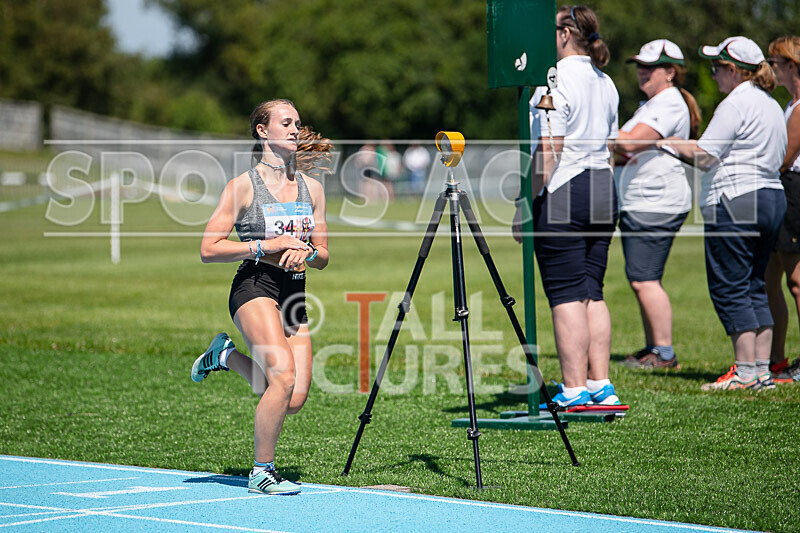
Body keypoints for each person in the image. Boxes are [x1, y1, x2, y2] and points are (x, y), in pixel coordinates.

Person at [193, 99, 331, 494]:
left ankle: (223, 357)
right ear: (262, 130)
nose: (294, 130)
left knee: (293, 396)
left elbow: (323, 255)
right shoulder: (242, 187)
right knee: (282, 377)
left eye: (298, 124)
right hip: (255, 286)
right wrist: (265, 246)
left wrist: (306, 251)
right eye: (286, 123)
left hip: (294, 293)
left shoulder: (313, 189)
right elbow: (209, 248)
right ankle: (261, 471)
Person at [658, 37, 787, 391]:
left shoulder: (736, 103)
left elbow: (705, 156)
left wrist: (668, 145)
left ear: (734, 71)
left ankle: (745, 372)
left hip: (736, 198)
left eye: (717, 68)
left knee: (730, 285)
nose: (713, 75)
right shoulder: (771, 104)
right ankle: (761, 371)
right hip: (772, 197)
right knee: (756, 283)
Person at [513, 5, 621, 407]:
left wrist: (526, 205)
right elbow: (610, 147)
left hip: (567, 189)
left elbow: (549, 151)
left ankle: (573, 390)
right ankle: (600, 385)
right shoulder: (606, 81)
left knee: (565, 294)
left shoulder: (553, 82)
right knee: (593, 289)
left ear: (563, 34)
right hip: (603, 187)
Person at [615, 40, 701, 369]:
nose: (642, 71)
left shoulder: (667, 102)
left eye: (650, 66)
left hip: (655, 201)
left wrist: (595, 131)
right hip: (646, 199)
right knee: (644, 277)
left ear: (670, 73)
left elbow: (630, 142)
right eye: (640, 65)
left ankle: (664, 353)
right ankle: (654, 347)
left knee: (644, 279)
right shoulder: (656, 102)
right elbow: (627, 148)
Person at [765, 35, 800, 383]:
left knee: (797, 281)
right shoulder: (790, 103)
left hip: (793, 190)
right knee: (769, 279)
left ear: (791, 66)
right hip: (786, 190)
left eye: (775, 63)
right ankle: (775, 358)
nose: (771, 70)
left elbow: (784, 159)